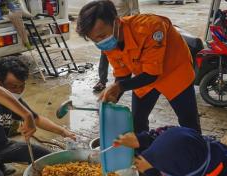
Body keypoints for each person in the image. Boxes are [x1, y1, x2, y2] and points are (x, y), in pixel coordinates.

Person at [77, 0, 201, 134]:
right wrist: (113, 96)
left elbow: (152, 74)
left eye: (102, 36)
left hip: (174, 72)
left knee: (189, 122)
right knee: (137, 122)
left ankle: (199, 151)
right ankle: (141, 151)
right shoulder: (109, 42)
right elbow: (123, 74)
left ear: (117, 22)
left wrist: (119, 87)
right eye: (95, 40)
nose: (100, 42)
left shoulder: (151, 27)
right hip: (143, 75)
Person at [93, 0, 140, 93]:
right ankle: (102, 81)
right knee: (104, 55)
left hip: (123, 31)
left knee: (128, 58)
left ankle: (138, 78)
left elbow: (135, 12)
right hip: (107, 31)